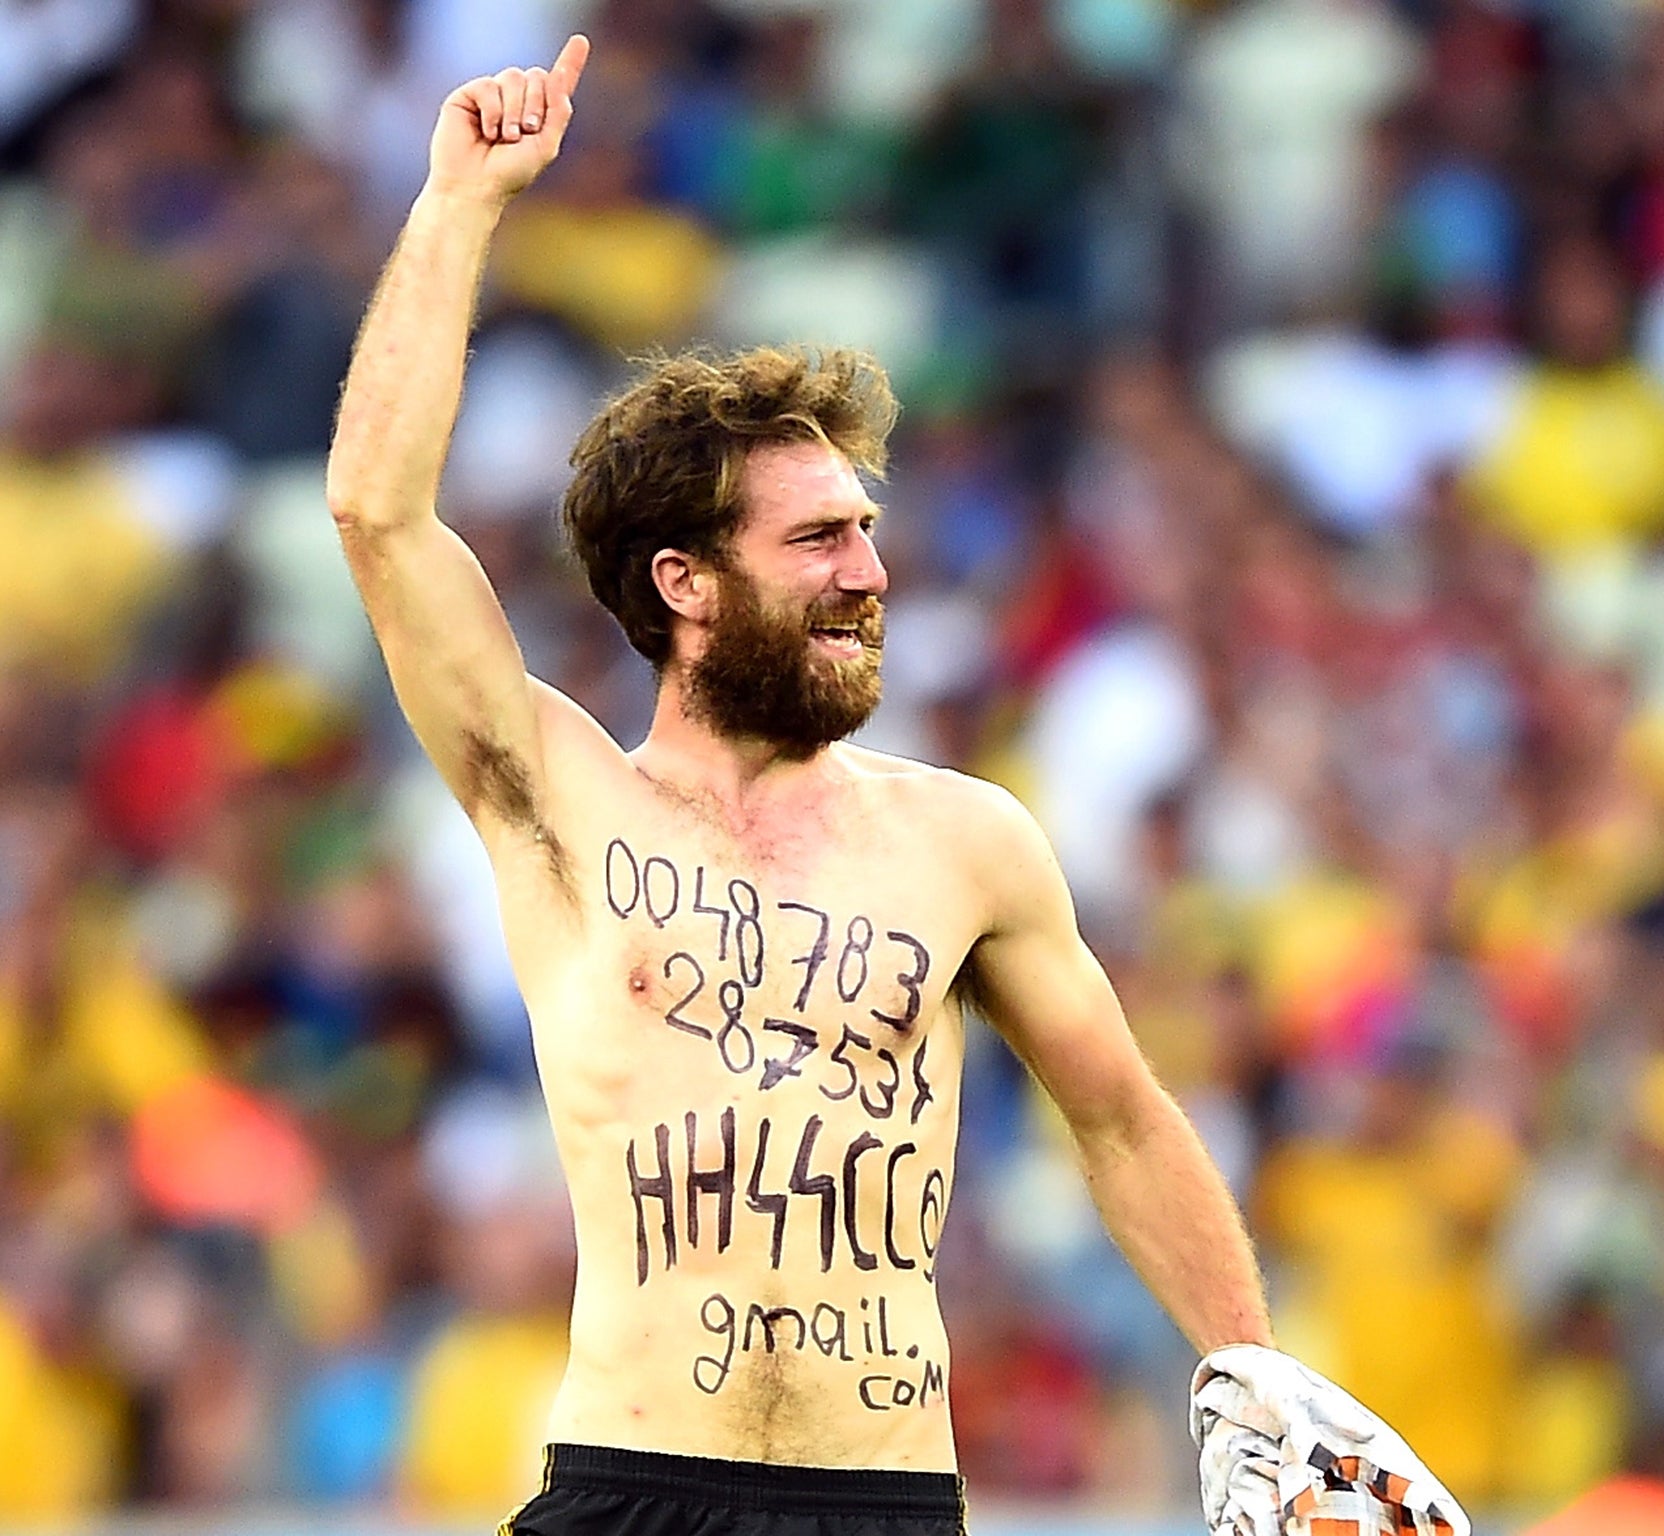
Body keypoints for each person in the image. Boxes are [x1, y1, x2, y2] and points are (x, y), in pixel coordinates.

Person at [326, 35, 1462, 1536]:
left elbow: (1122, 1121)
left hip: (892, 1505)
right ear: (685, 582)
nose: (871, 574)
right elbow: (377, 514)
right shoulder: (556, 795)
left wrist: (1247, 1366)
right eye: (816, 542)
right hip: (634, 1492)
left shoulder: (968, 842)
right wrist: (461, 203)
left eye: (865, 531)